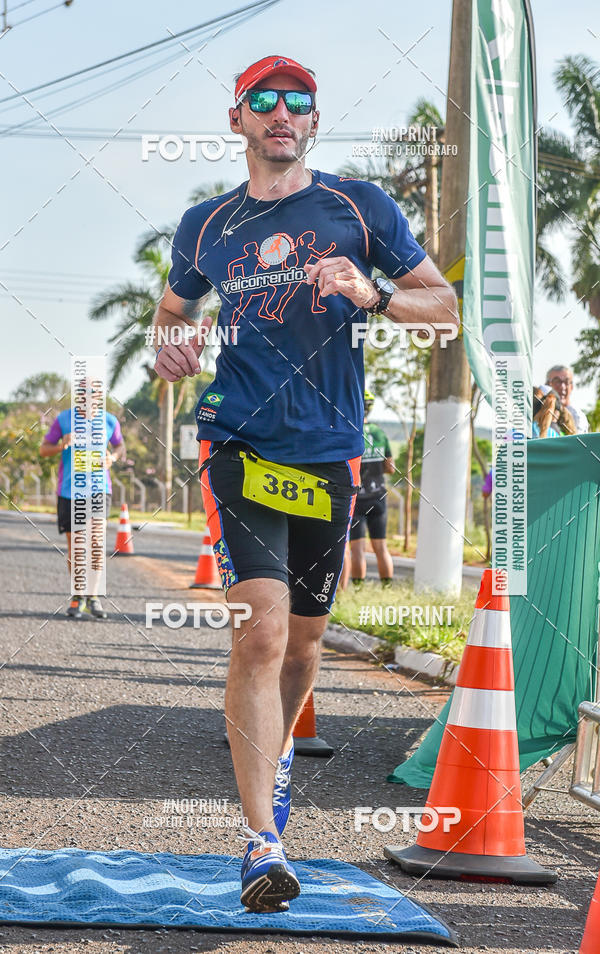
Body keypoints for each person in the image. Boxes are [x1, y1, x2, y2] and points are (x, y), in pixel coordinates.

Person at [152, 54, 458, 912]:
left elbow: (444, 307)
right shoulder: (206, 225)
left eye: (298, 102)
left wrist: (374, 291)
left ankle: (277, 752)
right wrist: (172, 351)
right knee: (261, 634)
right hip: (237, 447)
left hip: (329, 453)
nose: (281, 113)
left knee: (307, 648)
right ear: (238, 118)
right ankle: (262, 841)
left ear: (313, 123)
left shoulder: (360, 208)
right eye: (265, 101)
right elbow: (170, 318)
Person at [40, 382, 125, 620]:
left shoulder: (109, 421)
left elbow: (120, 446)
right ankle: (77, 595)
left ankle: (93, 596)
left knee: (96, 543)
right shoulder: (64, 420)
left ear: (100, 396)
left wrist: (112, 458)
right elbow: (43, 449)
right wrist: (60, 445)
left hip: (99, 489)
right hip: (69, 491)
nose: (89, 398)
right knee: (77, 547)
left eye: (94, 393)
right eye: (84, 393)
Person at [349, 390, 394, 587]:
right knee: (381, 547)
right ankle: (387, 588)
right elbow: (390, 468)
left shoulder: (352, 431)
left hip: (357, 499)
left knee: (357, 549)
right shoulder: (379, 432)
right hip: (378, 497)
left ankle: (358, 589)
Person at [545, 365, 589, 433]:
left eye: (567, 382)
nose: (562, 387)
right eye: (557, 381)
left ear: (572, 387)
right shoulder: (539, 411)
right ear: (547, 385)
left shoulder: (577, 417)